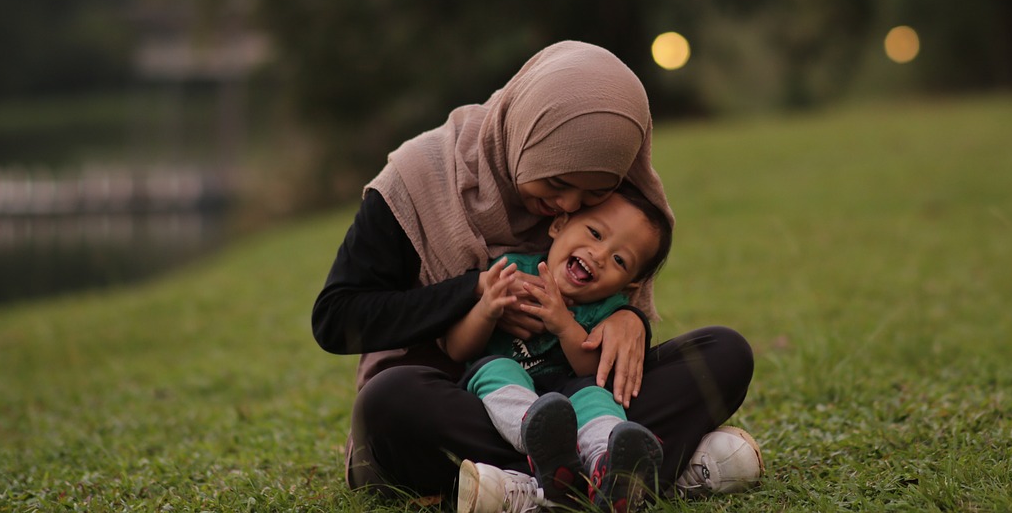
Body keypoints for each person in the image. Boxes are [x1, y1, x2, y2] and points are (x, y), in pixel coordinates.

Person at [311, 41, 761, 508]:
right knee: (389, 400)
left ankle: (529, 488)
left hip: (581, 396)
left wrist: (629, 320)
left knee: (724, 354)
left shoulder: (606, 169)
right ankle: (628, 473)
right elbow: (337, 317)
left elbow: (617, 288)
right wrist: (474, 293)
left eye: (594, 194)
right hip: (459, 402)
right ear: (526, 138)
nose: (568, 204)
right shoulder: (418, 178)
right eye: (557, 182)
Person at [441, 184, 672, 512]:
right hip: (500, 400)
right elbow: (456, 349)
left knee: (595, 395)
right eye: (595, 233)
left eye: (619, 260)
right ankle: (540, 435)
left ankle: (611, 466)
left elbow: (594, 371)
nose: (599, 255)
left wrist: (565, 325)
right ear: (559, 225)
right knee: (496, 368)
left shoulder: (606, 310)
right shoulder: (511, 270)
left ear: (630, 283)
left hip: (569, 395)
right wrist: (486, 310)